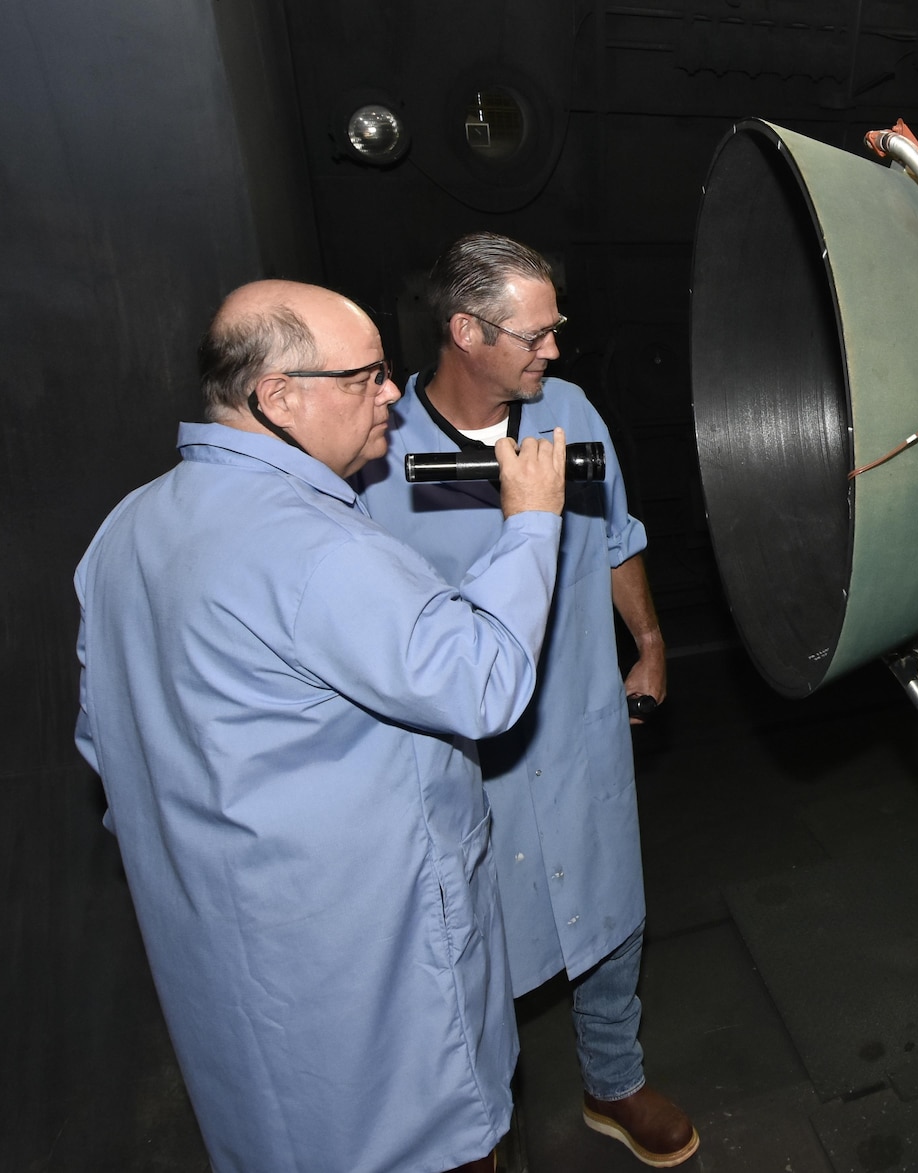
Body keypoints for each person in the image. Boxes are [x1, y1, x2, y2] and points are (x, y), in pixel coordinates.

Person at [75, 279, 569, 1173]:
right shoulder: (316, 549)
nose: (390, 394)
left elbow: (105, 747)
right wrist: (532, 523)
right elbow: (484, 680)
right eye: (366, 377)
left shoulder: (125, 529)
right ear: (278, 397)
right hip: (372, 1002)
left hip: (235, 987)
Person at [357, 233, 696, 1168]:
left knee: (611, 911)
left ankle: (613, 1079)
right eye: (535, 334)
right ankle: (478, 1122)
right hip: (468, 760)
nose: (555, 350)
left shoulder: (573, 411)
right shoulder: (381, 464)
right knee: (467, 945)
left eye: (557, 330)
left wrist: (652, 642)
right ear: (466, 331)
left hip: (581, 723)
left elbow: (616, 533)